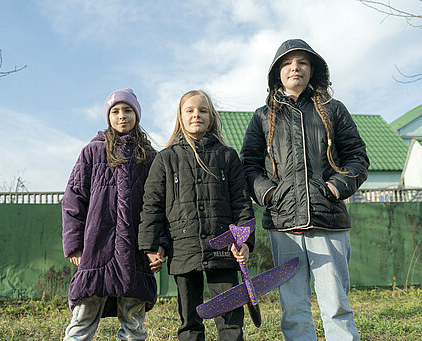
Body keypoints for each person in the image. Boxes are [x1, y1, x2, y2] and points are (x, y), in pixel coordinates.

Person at [241, 39, 369, 340]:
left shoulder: (333, 109)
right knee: (293, 307)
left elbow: (357, 157)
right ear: (277, 73)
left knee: (336, 305)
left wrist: (335, 188)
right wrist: (270, 195)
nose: (294, 68)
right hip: (283, 225)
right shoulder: (263, 116)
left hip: (329, 222)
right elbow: (249, 165)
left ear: (312, 70)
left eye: (301, 62)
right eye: (287, 63)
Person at [138, 90, 255, 341]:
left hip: (224, 249)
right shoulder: (165, 159)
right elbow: (152, 206)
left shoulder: (227, 156)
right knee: (189, 323)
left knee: (231, 321)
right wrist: (151, 246)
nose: (196, 115)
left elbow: (242, 203)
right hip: (183, 249)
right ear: (180, 117)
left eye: (202, 110)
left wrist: (245, 240)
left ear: (211, 116)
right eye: (189, 110)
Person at [62, 88, 162, 341]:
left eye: (128, 110)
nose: (122, 116)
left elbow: (160, 206)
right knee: (83, 318)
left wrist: (159, 245)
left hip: (135, 256)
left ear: (137, 115)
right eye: (115, 111)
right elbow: (74, 199)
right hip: (96, 251)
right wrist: (74, 245)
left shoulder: (149, 157)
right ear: (107, 116)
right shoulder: (92, 152)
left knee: (133, 323)